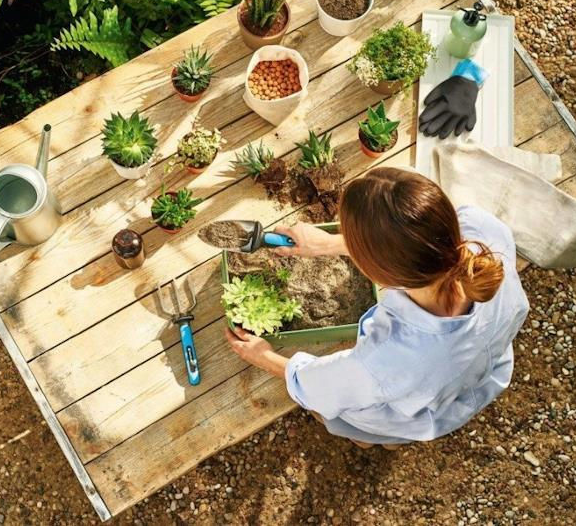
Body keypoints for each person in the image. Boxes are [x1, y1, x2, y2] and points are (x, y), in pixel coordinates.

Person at [224, 167, 529, 447]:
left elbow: (320, 387)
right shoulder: (483, 231)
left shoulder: (388, 359)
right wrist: (329, 244)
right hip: (487, 370)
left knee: (345, 417)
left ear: (380, 276)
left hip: (420, 412)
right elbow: (418, 245)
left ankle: (376, 440)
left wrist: (264, 357)